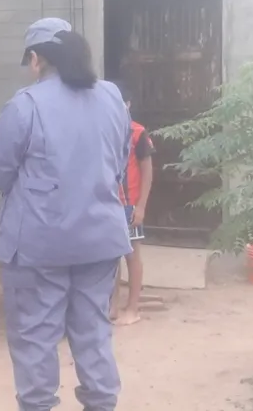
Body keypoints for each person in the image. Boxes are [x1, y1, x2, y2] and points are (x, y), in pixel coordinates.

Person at [0, 18, 132, 411]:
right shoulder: (112, 97)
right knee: (94, 333)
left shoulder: (26, 104)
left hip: (39, 245)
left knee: (35, 338)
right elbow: (119, 160)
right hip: (100, 239)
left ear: (36, 59)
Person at [111, 85, 155, 327]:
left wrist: (141, 207)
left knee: (131, 255)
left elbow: (148, 172)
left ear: (128, 104)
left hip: (129, 206)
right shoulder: (105, 131)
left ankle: (133, 308)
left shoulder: (138, 133)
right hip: (108, 204)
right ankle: (113, 306)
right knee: (110, 257)